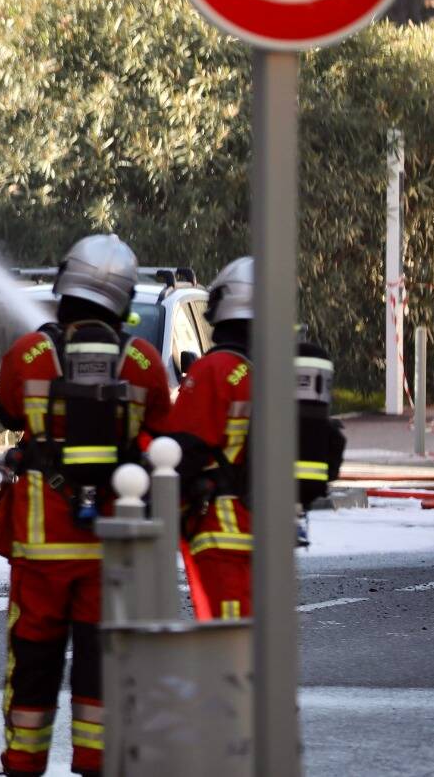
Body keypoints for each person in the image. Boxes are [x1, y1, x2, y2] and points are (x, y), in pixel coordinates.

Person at [0, 234, 170, 777]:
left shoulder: (30, 353)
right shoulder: (142, 360)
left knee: (34, 661)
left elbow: (5, 411)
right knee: (101, 662)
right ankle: (95, 759)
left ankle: (23, 762)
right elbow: (166, 436)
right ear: (124, 296)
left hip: (41, 547)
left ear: (66, 283)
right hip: (112, 548)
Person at [164, 257, 346, 620]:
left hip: (224, 535)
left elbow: (180, 452)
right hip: (273, 531)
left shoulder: (215, 370)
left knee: (229, 645)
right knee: (262, 643)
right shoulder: (280, 373)